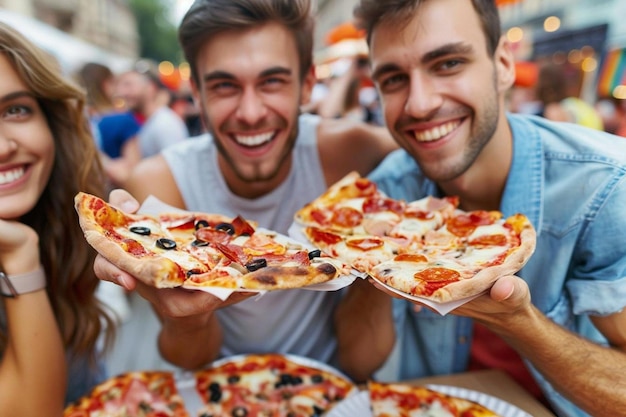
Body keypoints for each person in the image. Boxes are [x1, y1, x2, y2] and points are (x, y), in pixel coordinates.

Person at [335, 1, 626, 416]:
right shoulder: (384, 192)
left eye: (449, 63)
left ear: (503, 63)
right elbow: (357, 363)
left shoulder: (604, 187)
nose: (419, 104)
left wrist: (518, 321)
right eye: (394, 78)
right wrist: (371, 260)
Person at [94, 0, 396, 372]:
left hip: (333, 388)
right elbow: (191, 357)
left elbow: (363, 362)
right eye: (225, 86)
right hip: (217, 391)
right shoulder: (159, 182)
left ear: (307, 86)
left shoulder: (353, 152)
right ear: (198, 96)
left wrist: (381, 258)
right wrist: (184, 316)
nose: (251, 113)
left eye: (272, 82)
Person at [0, 22, 115, 414]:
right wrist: (19, 260)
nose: (3, 147)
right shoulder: (24, 247)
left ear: (51, 122)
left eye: (15, 110)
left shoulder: (59, 229)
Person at [75, 62, 142, 189]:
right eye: (115, 83)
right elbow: (134, 171)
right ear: (106, 84)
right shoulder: (123, 120)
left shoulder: (77, 117)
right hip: (118, 196)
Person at [114, 63, 188, 158]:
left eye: (129, 85)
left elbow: (176, 167)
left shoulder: (164, 124)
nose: (122, 93)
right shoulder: (152, 122)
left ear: (150, 87)